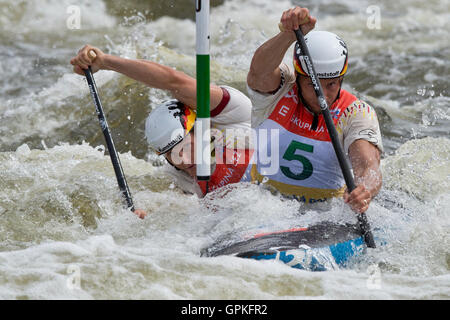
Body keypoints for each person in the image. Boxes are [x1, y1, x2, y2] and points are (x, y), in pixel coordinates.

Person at [70, 45, 253, 218]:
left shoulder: (233, 115)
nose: (185, 160)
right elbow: (162, 209)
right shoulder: (177, 175)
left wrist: (105, 61)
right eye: (173, 154)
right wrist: (143, 216)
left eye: (186, 146)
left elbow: (174, 81)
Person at [245, 6, 383, 214]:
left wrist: (364, 190)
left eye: (332, 85)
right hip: (261, 202)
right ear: (298, 77)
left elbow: (368, 165)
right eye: (313, 85)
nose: (323, 96)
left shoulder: (356, 112)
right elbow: (258, 72)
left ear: (341, 79)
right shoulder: (280, 90)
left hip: (321, 214)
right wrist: (288, 34)